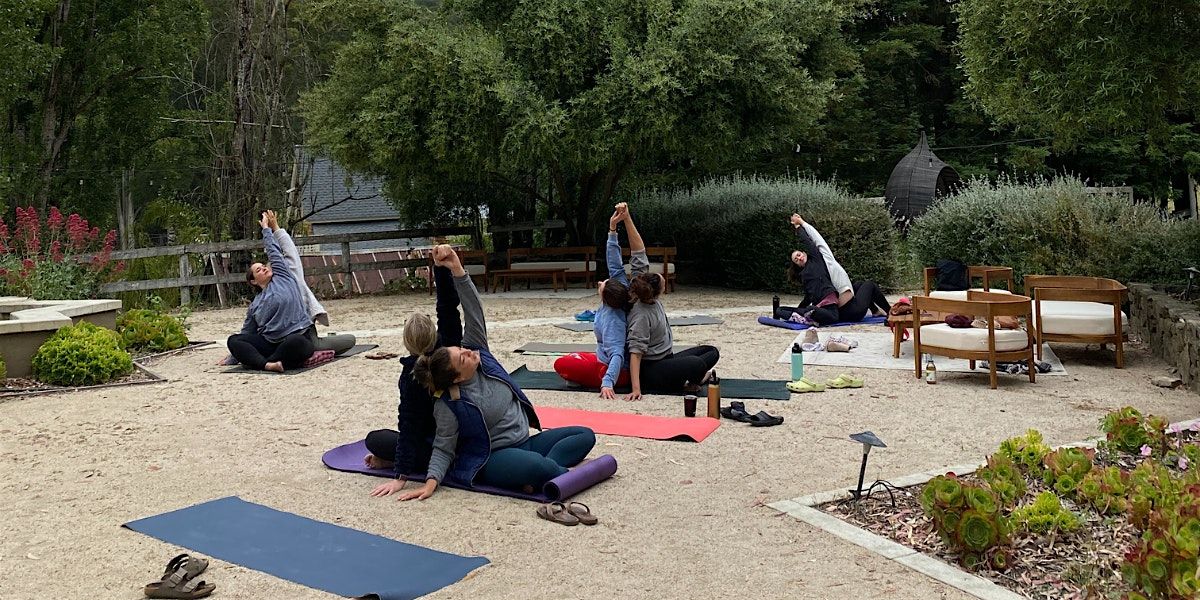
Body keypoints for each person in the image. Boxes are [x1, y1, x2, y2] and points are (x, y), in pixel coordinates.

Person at [377, 245, 596, 501]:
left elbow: (469, 309)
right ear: (457, 377)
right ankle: (541, 471)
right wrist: (425, 481)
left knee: (584, 435)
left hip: (525, 441)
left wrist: (454, 268)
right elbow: (441, 446)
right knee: (540, 466)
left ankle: (532, 472)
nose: (468, 351)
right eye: (463, 356)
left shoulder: (480, 352)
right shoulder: (450, 403)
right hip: (493, 455)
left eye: (462, 348)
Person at [362, 261, 462, 478]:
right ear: (434, 334)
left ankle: (391, 461)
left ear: (408, 343)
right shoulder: (451, 350)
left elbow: (408, 427)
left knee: (374, 439)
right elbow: (448, 308)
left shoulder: (411, 376)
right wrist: (441, 267)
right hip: (465, 441)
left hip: (437, 448)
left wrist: (400, 472)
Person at [623, 204, 720, 401]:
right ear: (657, 289)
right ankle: (689, 380)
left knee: (711, 352)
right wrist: (636, 388)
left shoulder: (645, 287)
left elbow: (638, 251)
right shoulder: (641, 314)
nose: (664, 279)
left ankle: (690, 379)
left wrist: (627, 218)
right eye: (662, 279)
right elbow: (635, 352)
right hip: (651, 369)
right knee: (697, 365)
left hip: (667, 358)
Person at [552, 205, 642, 398]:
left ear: (607, 298)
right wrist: (612, 230)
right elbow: (614, 264)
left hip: (617, 371)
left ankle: (598, 378)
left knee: (561, 364)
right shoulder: (619, 292)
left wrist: (608, 383)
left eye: (602, 285)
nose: (601, 282)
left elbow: (617, 354)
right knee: (576, 356)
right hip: (606, 357)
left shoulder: (613, 319)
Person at [226, 212, 316, 372]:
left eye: (264, 266)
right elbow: (248, 331)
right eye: (259, 270)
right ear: (253, 281)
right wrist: (234, 355)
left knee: (297, 342)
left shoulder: (284, 277)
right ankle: (269, 364)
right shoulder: (255, 305)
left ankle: (264, 362)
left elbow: (273, 252)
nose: (264, 268)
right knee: (233, 340)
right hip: (269, 342)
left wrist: (266, 229)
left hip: (295, 337)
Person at [777, 214, 890, 325]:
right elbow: (816, 239)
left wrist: (800, 225)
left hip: (841, 310)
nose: (799, 258)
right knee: (870, 285)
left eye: (799, 255)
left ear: (805, 253)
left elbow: (815, 240)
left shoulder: (816, 266)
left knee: (859, 284)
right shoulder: (824, 260)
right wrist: (801, 223)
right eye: (796, 260)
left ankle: (875, 311)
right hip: (851, 310)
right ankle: (891, 313)